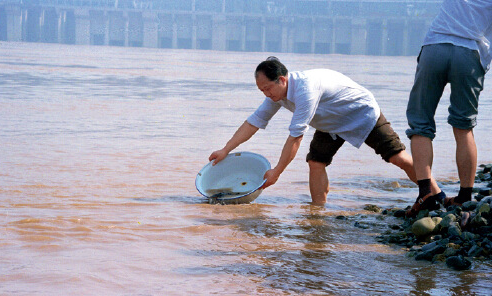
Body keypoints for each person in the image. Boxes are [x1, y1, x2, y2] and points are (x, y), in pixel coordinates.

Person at [209, 57, 443, 205]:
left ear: (282, 79)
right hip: (330, 123)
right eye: (262, 90)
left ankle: (435, 194)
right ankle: (317, 212)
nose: (266, 94)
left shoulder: (305, 89)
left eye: (268, 88)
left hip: (360, 112)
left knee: (396, 157)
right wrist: (225, 150)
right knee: (316, 162)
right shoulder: (276, 95)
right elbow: (254, 122)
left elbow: (296, 136)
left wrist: (277, 172)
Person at [405, 1, 492, 216]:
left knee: (420, 123)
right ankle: (464, 198)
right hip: (470, 52)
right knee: (464, 128)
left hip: (436, 46)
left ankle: (425, 194)